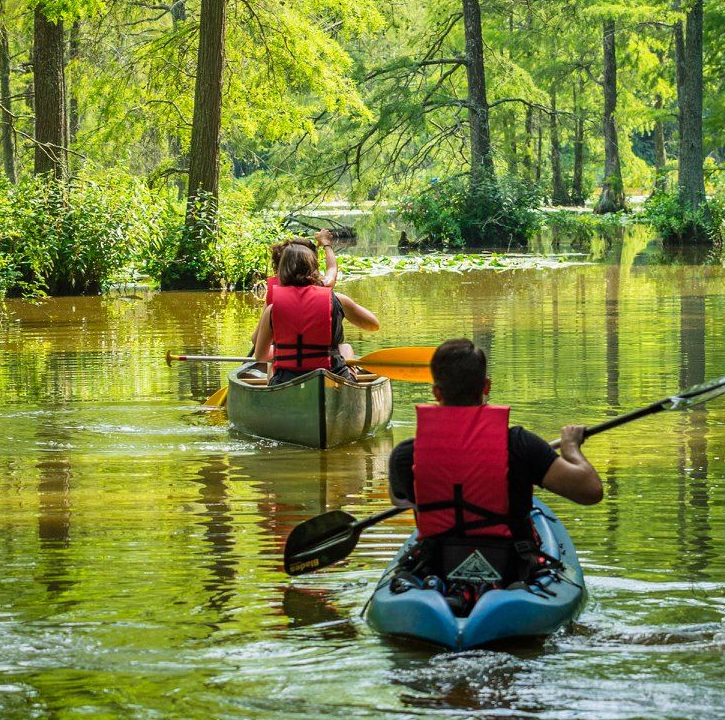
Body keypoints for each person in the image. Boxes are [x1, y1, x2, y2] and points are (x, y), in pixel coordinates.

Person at [386, 336, 602, 604]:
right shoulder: (520, 445)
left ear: (436, 392)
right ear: (486, 386)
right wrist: (571, 447)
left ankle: (444, 594)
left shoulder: (406, 455)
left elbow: (404, 501)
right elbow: (590, 491)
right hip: (513, 570)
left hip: (437, 567)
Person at [252, 239, 379, 383]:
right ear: (314, 269)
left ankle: (274, 393)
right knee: (345, 347)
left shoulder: (272, 309)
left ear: (282, 271)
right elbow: (373, 325)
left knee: (273, 363)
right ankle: (349, 387)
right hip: (331, 378)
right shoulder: (337, 300)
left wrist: (282, 354)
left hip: (287, 382)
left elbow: (260, 356)